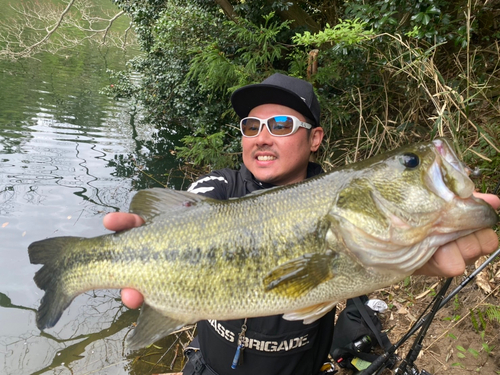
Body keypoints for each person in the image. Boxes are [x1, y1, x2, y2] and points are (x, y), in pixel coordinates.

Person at [103, 74, 500, 375]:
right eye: (250, 127)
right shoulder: (218, 188)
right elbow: (192, 208)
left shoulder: (336, 197)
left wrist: (415, 250)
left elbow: (364, 259)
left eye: (279, 125)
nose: (261, 138)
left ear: (315, 139)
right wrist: (145, 237)